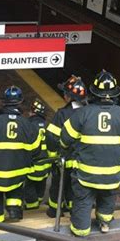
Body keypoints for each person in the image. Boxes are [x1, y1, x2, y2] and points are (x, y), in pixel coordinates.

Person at [60, 70, 120, 236]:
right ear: (115, 93)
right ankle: (104, 223)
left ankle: (81, 230)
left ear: (94, 93)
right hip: (113, 174)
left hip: (86, 174)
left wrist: (65, 147)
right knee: (107, 197)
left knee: (83, 201)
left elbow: (65, 138)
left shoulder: (83, 113)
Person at [0, 86, 42, 222]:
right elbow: (36, 149)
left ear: (3, 102)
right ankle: (14, 211)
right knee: (16, 189)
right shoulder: (28, 125)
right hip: (18, 171)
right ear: (20, 102)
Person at [45, 75, 87, 218]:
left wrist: (53, 157)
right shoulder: (90, 112)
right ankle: (71, 207)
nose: (63, 95)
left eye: (65, 93)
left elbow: (51, 137)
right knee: (74, 188)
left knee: (58, 186)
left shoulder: (62, 114)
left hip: (65, 159)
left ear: (69, 97)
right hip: (83, 161)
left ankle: (54, 211)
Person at [24, 98, 50, 210]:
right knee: (41, 182)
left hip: (32, 162)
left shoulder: (28, 125)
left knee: (29, 184)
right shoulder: (48, 125)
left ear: (33, 112)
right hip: (45, 163)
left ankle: (31, 205)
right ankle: (39, 200)